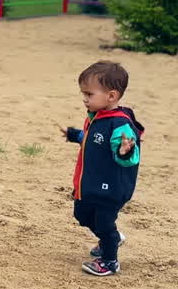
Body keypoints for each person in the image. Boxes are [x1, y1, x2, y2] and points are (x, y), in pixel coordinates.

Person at [60, 60, 144, 277]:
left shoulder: (120, 125)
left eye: (89, 94)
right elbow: (94, 139)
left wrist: (124, 151)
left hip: (111, 188)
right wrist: (74, 135)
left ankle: (110, 260)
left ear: (111, 96)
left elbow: (128, 158)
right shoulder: (98, 117)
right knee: (82, 214)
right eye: (83, 93)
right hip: (92, 184)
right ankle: (111, 239)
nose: (85, 99)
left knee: (104, 222)